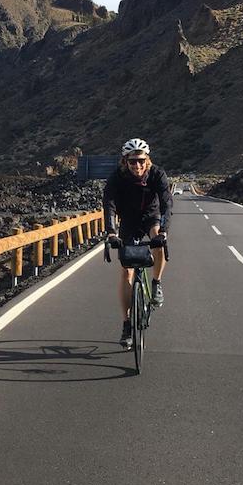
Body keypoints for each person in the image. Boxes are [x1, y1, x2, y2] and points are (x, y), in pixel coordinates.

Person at [103, 138, 171, 347]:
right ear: (126, 161)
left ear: (147, 159)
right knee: (126, 271)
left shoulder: (157, 174)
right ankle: (126, 325)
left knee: (158, 241)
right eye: (132, 162)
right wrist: (111, 232)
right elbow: (109, 204)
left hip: (151, 217)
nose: (137, 165)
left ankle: (156, 283)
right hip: (129, 222)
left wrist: (164, 231)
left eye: (141, 160)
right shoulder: (117, 177)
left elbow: (167, 202)